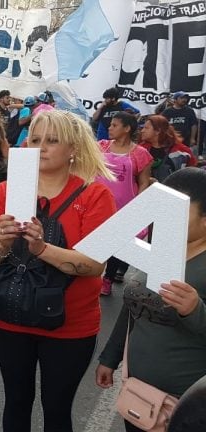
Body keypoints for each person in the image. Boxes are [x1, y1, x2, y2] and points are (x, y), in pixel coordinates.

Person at [0, 110, 116, 431]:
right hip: (10, 317)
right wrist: (1, 241)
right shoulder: (6, 191)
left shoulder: (97, 195)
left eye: (52, 141)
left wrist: (42, 249)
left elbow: (96, 264)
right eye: (36, 140)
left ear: (73, 149)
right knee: (15, 402)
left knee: (56, 409)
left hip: (70, 325)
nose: (41, 147)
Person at [95, 167, 206, 432]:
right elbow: (134, 308)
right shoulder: (162, 247)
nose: (165, 217)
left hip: (187, 404)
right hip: (138, 394)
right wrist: (110, 358)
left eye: (177, 210)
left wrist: (195, 310)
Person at [95, 112, 153, 295]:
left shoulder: (140, 153)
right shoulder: (101, 147)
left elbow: (144, 181)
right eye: (110, 125)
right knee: (93, 240)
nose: (110, 128)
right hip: (97, 203)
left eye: (114, 125)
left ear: (127, 129)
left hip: (124, 206)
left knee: (116, 244)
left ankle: (107, 279)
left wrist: (139, 205)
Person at [138, 114, 196, 182]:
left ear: (158, 131)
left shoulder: (182, 151)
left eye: (146, 128)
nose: (142, 131)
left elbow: (192, 173)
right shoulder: (140, 149)